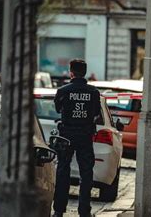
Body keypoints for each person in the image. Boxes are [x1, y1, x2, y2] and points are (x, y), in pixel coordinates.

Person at [52, 59, 101, 217]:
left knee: (63, 171)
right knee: (86, 173)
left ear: (71, 72)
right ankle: (84, 211)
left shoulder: (63, 90)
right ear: (85, 72)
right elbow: (95, 113)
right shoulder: (93, 92)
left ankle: (59, 210)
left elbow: (58, 109)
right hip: (85, 135)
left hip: (67, 135)